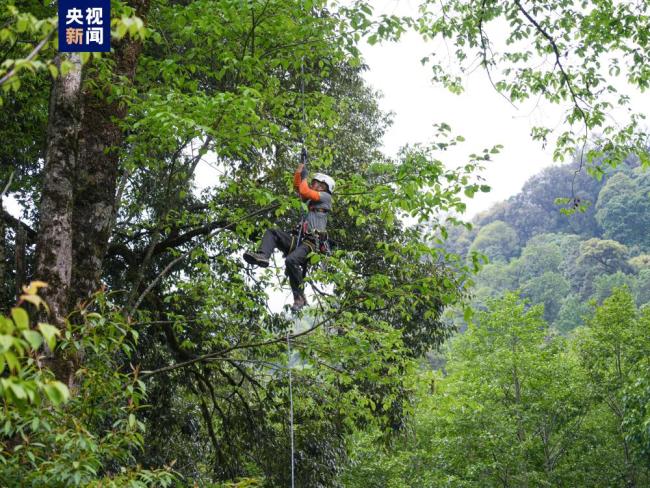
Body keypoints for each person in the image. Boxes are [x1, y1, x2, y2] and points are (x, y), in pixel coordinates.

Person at [244, 161, 335, 312]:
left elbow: (305, 191)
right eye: (314, 183)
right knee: (272, 232)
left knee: (291, 260)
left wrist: (305, 178)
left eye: (319, 184)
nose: (315, 186)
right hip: (299, 239)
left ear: (325, 188)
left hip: (311, 242)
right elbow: (299, 189)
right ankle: (262, 256)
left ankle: (299, 297)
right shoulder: (311, 199)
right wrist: (299, 173)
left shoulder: (325, 197)